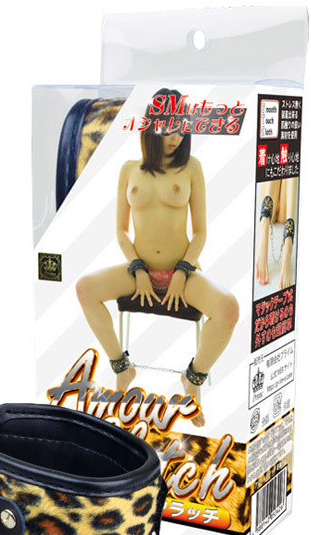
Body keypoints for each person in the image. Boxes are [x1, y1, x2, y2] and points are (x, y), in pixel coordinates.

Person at [75, 89, 239, 427]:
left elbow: (200, 233)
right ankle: (122, 367)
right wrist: (137, 269)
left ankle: (192, 380)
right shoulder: (129, 169)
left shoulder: (191, 167)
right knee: (84, 288)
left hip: (182, 273)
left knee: (228, 308)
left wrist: (182, 271)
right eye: (168, 128)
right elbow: (121, 231)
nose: (175, 137)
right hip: (139, 270)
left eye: (181, 128)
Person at [255, 177, 297, 290]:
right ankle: (264, 225)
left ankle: (288, 243)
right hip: (270, 195)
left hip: (285, 203)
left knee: (290, 172)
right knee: (275, 166)